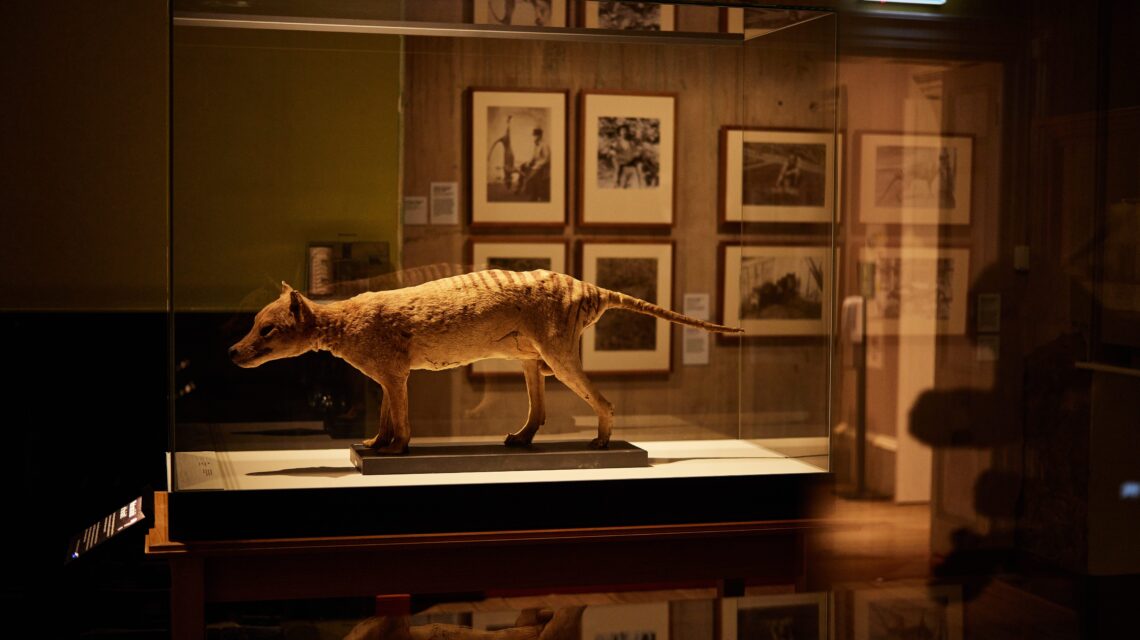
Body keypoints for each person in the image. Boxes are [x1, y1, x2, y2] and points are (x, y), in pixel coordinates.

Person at [519, 127, 550, 201]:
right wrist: (529, 163)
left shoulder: (544, 145)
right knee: (523, 167)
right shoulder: (536, 145)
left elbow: (546, 158)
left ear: (540, 136)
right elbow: (534, 157)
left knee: (531, 175)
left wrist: (536, 166)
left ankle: (535, 195)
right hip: (537, 164)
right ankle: (522, 188)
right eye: (534, 135)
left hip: (543, 166)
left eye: (535, 135)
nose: (534, 137)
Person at [488, 115, 515, 189]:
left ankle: (508, 184)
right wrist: (489, 154)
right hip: (509, 154)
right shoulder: (503, 138)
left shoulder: (504, 137)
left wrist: (489, 154)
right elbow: (494, 144)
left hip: (509, 155)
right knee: (507, 171)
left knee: (507, 170)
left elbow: (508, 129)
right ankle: (508, 183)